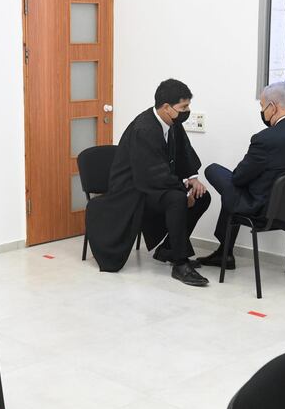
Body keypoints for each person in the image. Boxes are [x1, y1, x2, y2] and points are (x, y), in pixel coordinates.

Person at [86, 79, 211, 286]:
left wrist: (193, 179)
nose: (187, 111)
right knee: (177, 199)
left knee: (201, 197)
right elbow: (152, 173)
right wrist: (182, 191)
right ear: (166, 107)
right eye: (184, 107)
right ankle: (180, 264)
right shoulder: (144, 129)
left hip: (152, 183)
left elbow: (182, 153)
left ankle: (169, 249)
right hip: (132, 189)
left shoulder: (172, 122)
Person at [200, 82, 285, 269]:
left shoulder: (265, 139)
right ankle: (223, 253)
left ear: (272, 107)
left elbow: (239, 178)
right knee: (234, 191)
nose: (262, 111)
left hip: (265, 212)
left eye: (262, 107)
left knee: (215, 171)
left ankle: (224, 253)